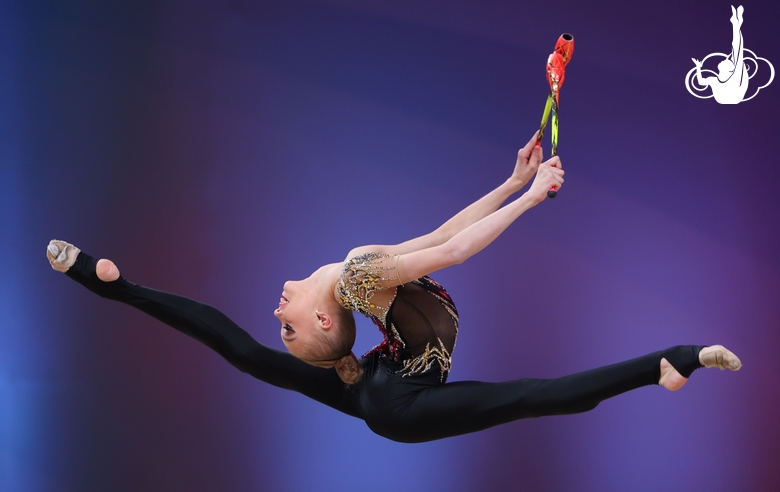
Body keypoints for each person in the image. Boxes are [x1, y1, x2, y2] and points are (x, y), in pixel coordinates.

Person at [47, 133, 741, 443]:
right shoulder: (355, 278)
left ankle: (115, 286)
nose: (277, 313)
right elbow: (457, 253)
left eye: (282, 322)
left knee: (245, 354)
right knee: (529, 396)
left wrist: (510, 179)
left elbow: (440, 236)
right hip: (399, 405)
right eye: (289, 324)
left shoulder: (358, 269)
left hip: (387, 383)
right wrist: (529, 199)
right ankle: (665, 363)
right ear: (326, 324)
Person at [692, 5, 748, 104]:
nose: (724, 60)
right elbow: (701, 82)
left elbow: (738, 49)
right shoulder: (718, 79)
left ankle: (736, 24)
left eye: (726, 61)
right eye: (727, 61)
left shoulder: (724, 78)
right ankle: (736, 24)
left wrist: (698, 67)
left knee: (737, 51)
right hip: (731, 96)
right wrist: (698, 67)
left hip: (733, 95)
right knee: (737, 52)